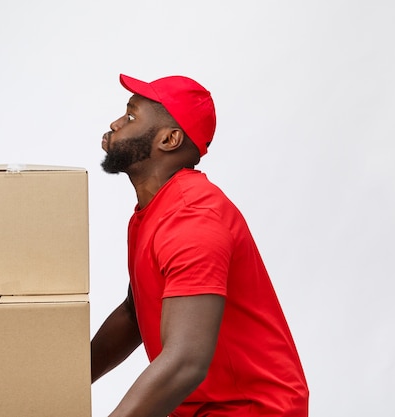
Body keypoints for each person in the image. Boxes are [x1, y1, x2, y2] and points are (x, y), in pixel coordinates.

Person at [90, 74, 309, 417]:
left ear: (169, 139)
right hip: (199, 408)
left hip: (252, 411)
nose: (116, 123)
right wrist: (60, 383)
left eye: (131, 116)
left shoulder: (193, 218)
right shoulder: (154, 212)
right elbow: (135, 313)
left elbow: (186, 362)